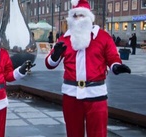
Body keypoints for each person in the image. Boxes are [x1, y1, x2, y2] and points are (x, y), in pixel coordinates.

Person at [44, 0, 131, 137]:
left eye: (81, 16)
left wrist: (117, 67)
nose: (78, 19)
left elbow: (112, 58)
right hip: (71, 95)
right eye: (75, 16)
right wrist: (55, 56)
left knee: (98, 133)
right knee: (73, 133)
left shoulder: (103, 37)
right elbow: (49, 64)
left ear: (89, 17)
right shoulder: (65, 39)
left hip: (95, 94)